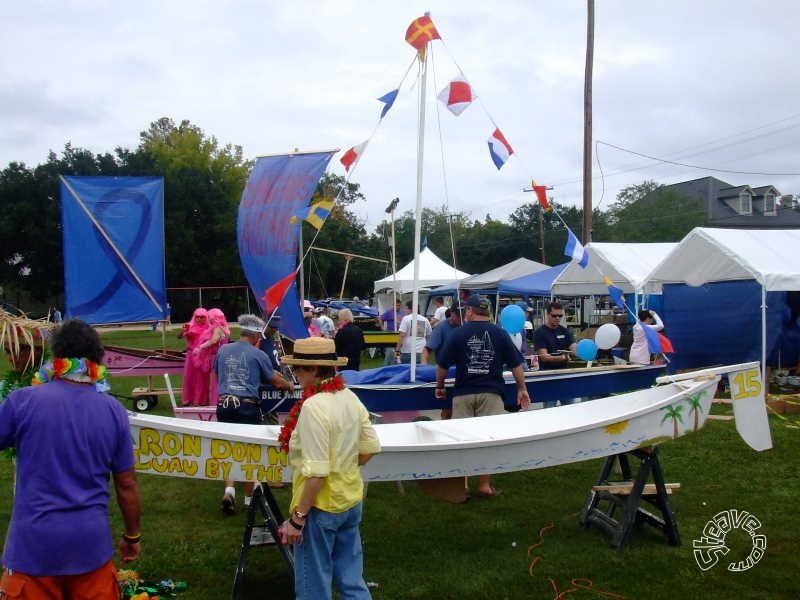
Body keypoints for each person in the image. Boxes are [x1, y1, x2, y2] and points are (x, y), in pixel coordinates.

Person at [0, 319, 141, 598]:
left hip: (32, 548)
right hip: (90, 548)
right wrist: (132, 536)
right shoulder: (113, 411)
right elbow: (126, 484)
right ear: (97, 359)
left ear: (57, 357)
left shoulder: (22, 401)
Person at [279, 337, 381, 600]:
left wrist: (297, 519)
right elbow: (369, 448)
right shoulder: (349, 396)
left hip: (320, 507)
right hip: (350, 501)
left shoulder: (313, 406)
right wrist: (344, 465)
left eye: (298, 369)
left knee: (313, 586)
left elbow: (317, 473)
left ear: (313, 370)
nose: (296, 376)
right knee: (352, 580)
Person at [435, 296, 531, 497]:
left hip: (463, 393)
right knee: (489, 439)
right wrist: (522, 388)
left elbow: (442, 365)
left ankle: (462, 486)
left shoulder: (458, 333)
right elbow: (516, 364)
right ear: (487, 312)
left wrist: (440, 386)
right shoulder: (500, 333)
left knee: (461, 441)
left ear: (470, 311)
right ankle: (484, 486)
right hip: (491, 392)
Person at [214, 314, 294, 514]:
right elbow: (275, 380)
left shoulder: (223, 350)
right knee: (250, 451)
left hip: (224, 404)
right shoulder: (258, 354)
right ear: (256, 335)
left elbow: (217, 373)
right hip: (246, 406)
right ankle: (249, 501)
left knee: (230, 448)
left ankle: (230, 490)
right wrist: (289, 385)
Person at [422, 304, 463, 419]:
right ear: (452, 314)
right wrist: (424, 367)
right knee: (447, 409)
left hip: (463, 374)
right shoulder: (441, 328)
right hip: (447, 373)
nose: (462, 318)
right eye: (459, 315)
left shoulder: (466, 325)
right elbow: (427, 350)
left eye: (464, 315)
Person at [195, 307, 230, 406]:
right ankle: (221, 401)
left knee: (215, 381)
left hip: (217, 356)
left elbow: (213, 341)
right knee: (221, 380)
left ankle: (215, 402)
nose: (208, 319)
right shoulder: (224, 327)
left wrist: (200, 347)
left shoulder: (217, 328)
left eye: (209, 317)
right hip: (223, 355)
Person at [177, 307, 212, 406]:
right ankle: (187, 400)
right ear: (194, 317)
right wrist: (183, 331)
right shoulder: (190, 326)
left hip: (204, 357)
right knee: (189, 378)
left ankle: (201, 401)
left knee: (202, 380)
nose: (199, 319)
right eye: (197, 317)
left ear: (206, 317)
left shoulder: (209, 328)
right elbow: (179, 336)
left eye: (202, 317)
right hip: (191, 356)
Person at [533, 301, 577, 370]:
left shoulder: (565, 331)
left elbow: (574, 348)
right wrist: (563, 357)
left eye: (560, 316)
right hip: (547, 373)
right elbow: (544, 357)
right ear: (547, 314)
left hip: (564, 372)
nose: (557, 318)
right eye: (554, 315)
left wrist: (579, 352)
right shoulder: (539, 332)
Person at [379, 299, 405, 365]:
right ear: (393, 305)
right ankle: (386, 366)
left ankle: (396, 365)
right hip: (390, 335)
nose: (397, 307)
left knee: (398, 351)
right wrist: (383, 328)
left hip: (400, 335)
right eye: (396, 305)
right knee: (389, 351)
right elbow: (380, 319)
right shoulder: (389, 312)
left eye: (399, 305)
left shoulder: (403, 312)